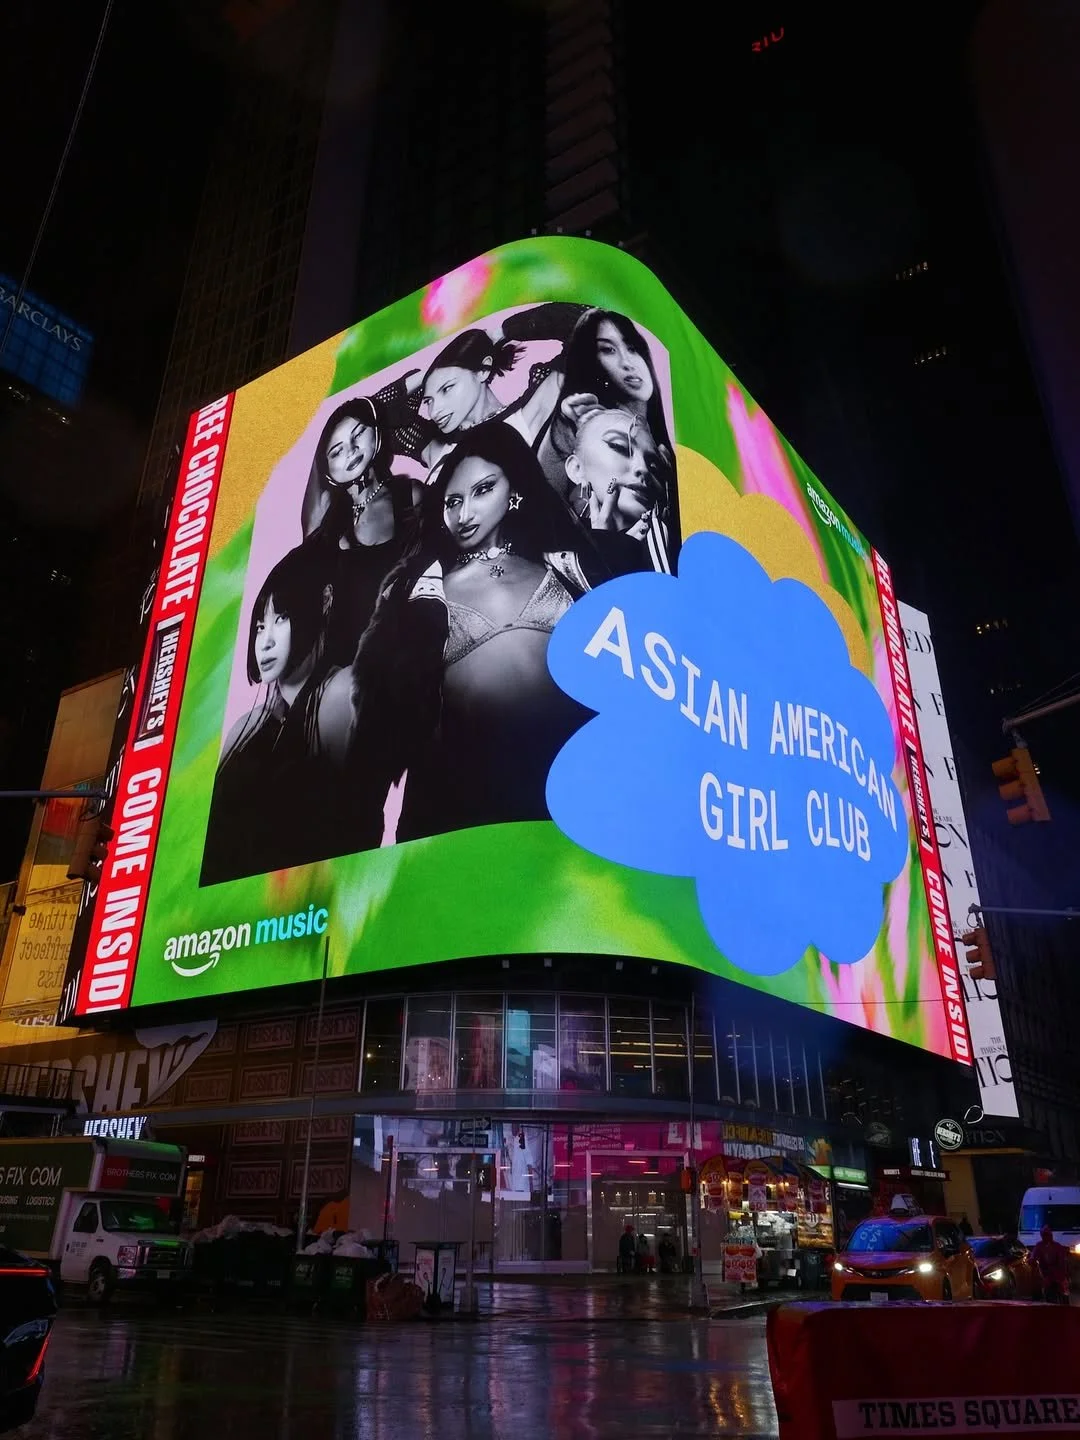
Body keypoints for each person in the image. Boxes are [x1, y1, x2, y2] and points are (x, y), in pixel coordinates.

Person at [349, 421, 595, 841]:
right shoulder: (421, 592)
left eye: (483, 490)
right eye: (453, 501)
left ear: (513, 489)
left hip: (580, 790)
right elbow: (378, 731)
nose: (464, 515)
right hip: (475, 813)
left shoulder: (568, 567)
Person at [201, 545, 355, 883]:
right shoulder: (246, 727)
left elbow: (350, 824)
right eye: (259, 626)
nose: (265, 642)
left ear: (324, 602)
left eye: (281, 619)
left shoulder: (340, 694)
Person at [300, 396, 421, 668]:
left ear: (377, 433)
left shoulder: (409, 497)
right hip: (339, 671)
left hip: (403, 660)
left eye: (358, 435)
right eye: (336, 451)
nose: (351, 451)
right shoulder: (326, 524)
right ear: (326, 466)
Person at [536, 308, 674, 494]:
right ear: (593, 363)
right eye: (608, 350)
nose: (627, 362)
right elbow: (542, 500)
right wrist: (566, 426)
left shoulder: (671, 430)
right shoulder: (579, 422)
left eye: (632, 348)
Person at [562, 401, 676, 574]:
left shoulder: (679, 547)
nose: (643, 468)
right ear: (576, 469)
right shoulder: (558, 554)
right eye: (620, 447)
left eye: (654, 465)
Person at [1031, 1224, 1071, 1304]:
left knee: (1065, 1290)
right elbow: (1033, 1256)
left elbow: (1063, 1261)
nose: (1046, 1236)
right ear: (1042, 1236)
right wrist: (1031, 1260)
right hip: (1046, 1273)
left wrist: (1062, 1273)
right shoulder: (1039, 1245)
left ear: (1051, 1235)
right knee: (1041, 1288)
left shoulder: (1057, 1246)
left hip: (1058, 1273)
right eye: (1044, 1235)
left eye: (1048, 1234)